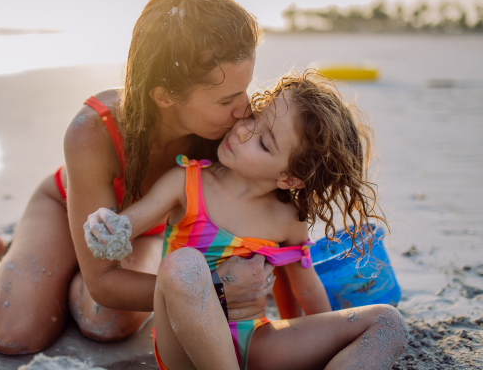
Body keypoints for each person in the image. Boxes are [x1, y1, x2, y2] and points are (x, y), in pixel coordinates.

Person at [0, 0, 278, 354]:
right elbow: (104, 282)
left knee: (105, 321)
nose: (245, 110)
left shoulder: (228, 136)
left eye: (245, 89)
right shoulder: (93, 130)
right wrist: (215, 287)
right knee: (11, 335)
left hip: (147, 230)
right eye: (226, 99)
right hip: (63, 207)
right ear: (164, 96)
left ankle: (64, 274)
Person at [85, 70, 408, 370]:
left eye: (263, 142)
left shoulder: (288, 218)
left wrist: (326, 340)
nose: (242, 130)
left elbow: (304, 290)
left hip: (254, 341)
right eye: (255, 117)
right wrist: (109, 227)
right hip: (185, 347)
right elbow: (128, 225)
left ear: (290, 178)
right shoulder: (186, 181)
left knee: (388, 323)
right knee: (183, 264)